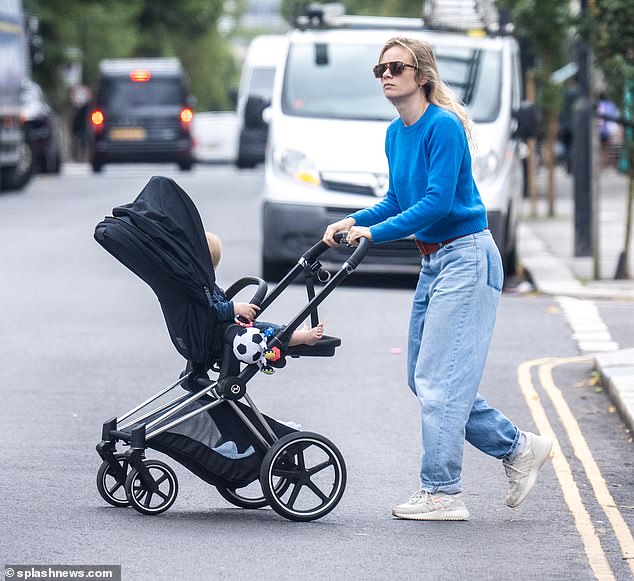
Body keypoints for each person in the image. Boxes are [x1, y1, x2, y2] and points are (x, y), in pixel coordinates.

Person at [322, 37, 553, 521]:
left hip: (467, 258)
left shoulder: (442, 127)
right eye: (380, 68)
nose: (386, 74)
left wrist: (374, 233)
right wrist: (354, 219)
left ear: (421, 75)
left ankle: (443, 492)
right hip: (435, 262)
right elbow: (398, 200)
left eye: (396, 67)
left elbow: (438, 202)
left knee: (438, 382)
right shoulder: (395, 133)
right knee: (424, 379)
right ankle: (516, 448)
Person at [205, 232, 324, 347]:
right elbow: (210, 312)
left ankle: (297, 335)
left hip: (225, 327)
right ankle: (304, 338)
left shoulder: (201, 284)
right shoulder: (202, 288)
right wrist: (234, 308)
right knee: (265, 331)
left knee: (263, 327)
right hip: (223, 333)